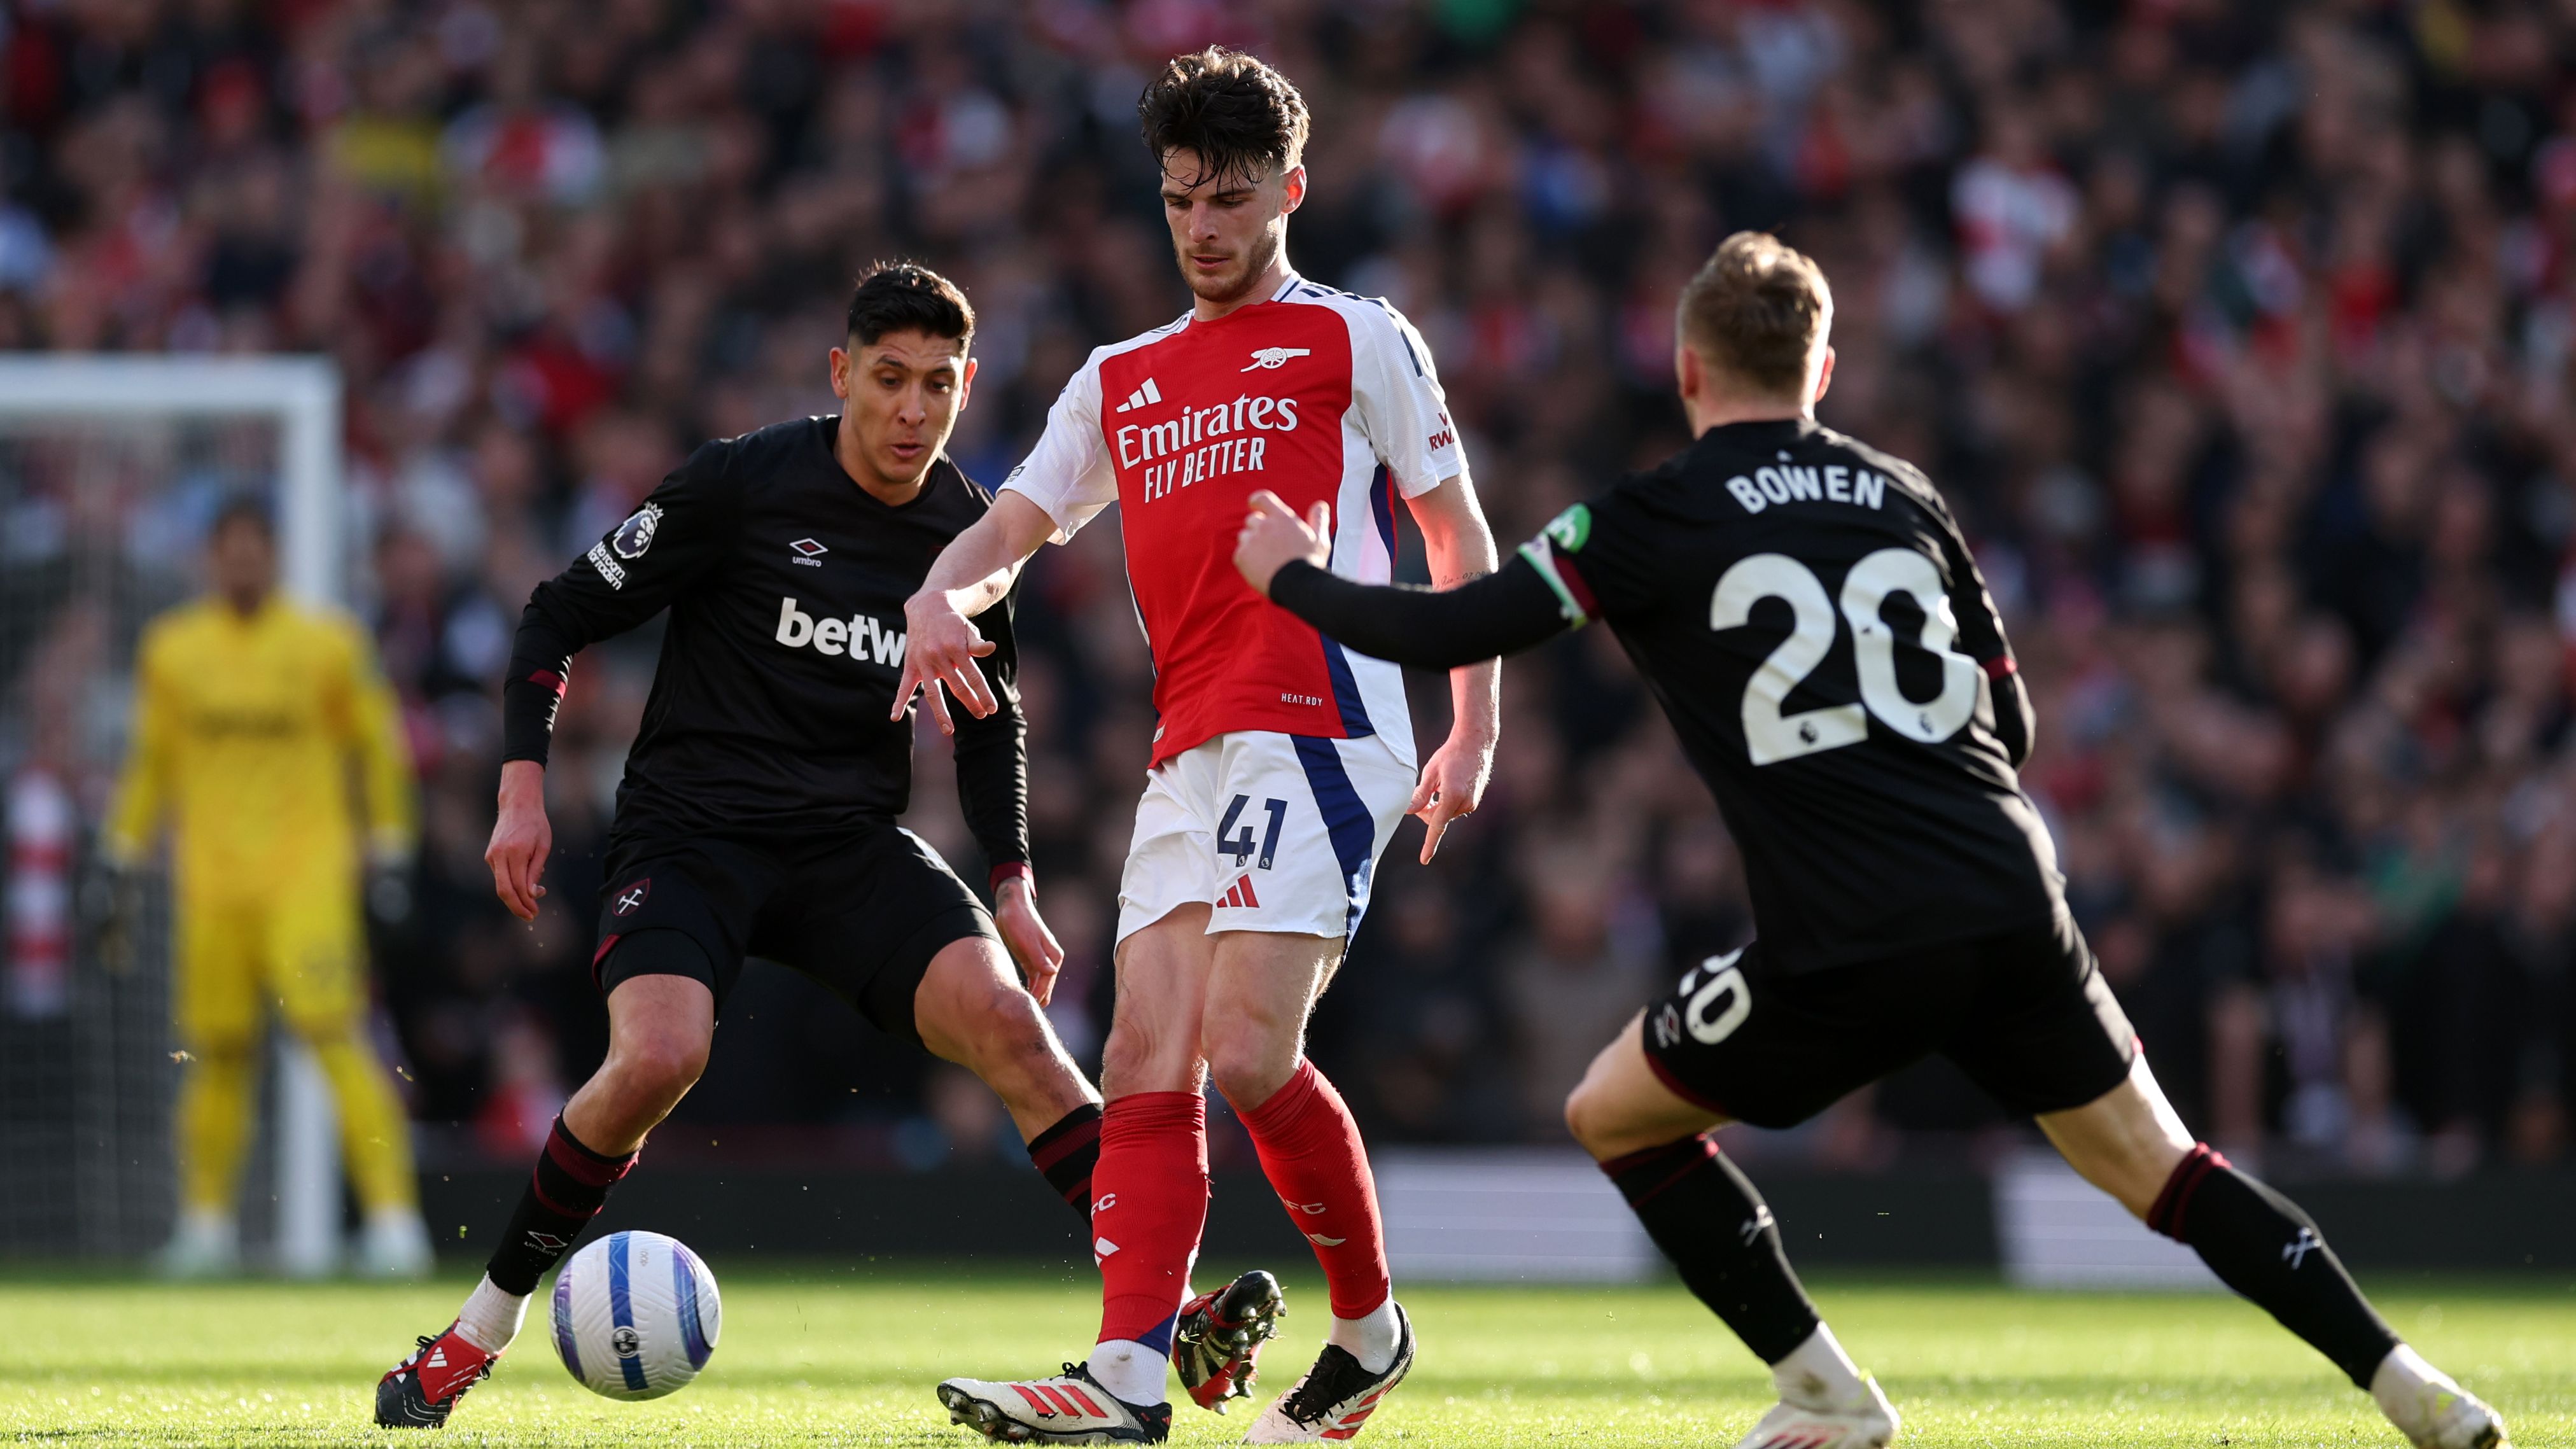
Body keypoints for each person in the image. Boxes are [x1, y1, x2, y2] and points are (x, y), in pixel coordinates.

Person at [1229, 232, 2510, 1449]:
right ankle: (2408, 1380)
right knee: (2165, 1170)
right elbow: (2001, 715)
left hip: (1847, 930)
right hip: (2010, 892)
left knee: (1612, 1112)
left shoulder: (1644, 515)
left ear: (1685, 369)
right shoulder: (1904, 495)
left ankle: (1824, 1389)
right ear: (1821, 372)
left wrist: (1293, 573)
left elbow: (1463, 626)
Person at [375, 264, 1111, 1429]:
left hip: (844, 846)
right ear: (841, 374)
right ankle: (480, 1327)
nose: (911, 410)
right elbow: (556, 613)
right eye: (886, 380)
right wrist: (522, 790)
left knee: (1014, 1023)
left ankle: (1159, 1322)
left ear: (967, 386)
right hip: (691, 832)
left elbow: (991, 720)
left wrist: (1012, 883)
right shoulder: (741, 483)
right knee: (661, 1058)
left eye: (936, 385)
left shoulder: (965, 538)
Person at [908, 48, 1500, 1447]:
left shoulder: (1357, 337)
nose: (1202, 228)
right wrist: (943, 592)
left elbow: (1453, 529)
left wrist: (1472, 718)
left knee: (1243, 1047)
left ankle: (1366, 1328)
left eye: (1230, 198)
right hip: (1191, 751)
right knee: (1143, 1051)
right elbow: (1013, 525)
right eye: (1179, 199)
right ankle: (1123, 1371)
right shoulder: (1123, 375)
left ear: (1290, 190)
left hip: (1324, 721)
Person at [104, 497, 432, 1279]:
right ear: (211, 559)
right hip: (211, 883)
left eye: (257, 547)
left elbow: (378, 750)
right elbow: (152, 764)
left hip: (306, 876)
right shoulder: (174, 650)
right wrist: (119, 855)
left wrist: (389, 848)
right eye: (230, 549)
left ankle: (394, 1221)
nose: (244, 562)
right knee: (217, 1053)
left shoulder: (328, 646)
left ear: (276, 555)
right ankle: (207, 1226)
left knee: (336, 1037)